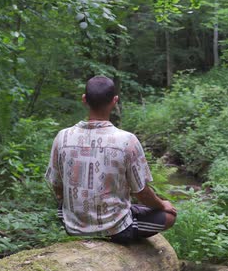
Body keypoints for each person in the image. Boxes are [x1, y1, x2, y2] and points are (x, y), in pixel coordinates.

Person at [45, 75, 177, 243]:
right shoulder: (127, 140)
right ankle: (118, 234)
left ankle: (84, 229)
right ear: (115, 101)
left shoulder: (62, 137)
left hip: (72, 225)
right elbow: (141, 192)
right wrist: (162, 204)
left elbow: (56, 185)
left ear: (84, 99)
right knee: (169, 216)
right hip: (115, 229)